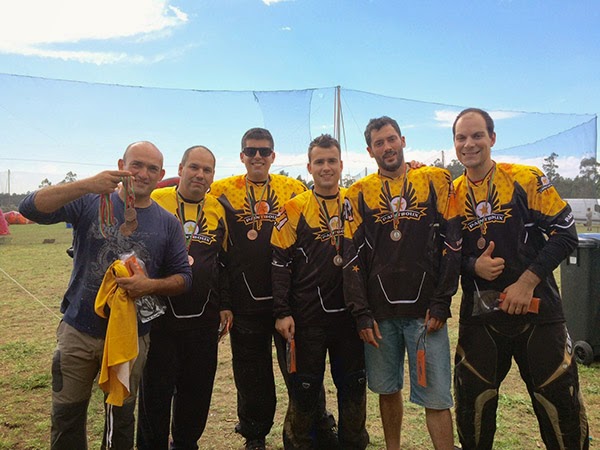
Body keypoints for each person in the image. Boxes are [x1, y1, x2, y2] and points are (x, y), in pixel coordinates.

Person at [19, 141, 192, 450]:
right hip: (79, 331)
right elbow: (29, 208)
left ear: (161, 174)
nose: (143, 174)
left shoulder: (168, 223)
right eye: (136, 165)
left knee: (121, 419)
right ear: (121, 165)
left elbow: (184, 278)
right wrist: (87, 184)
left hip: (130, 337)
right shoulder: (89, 202)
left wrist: (149, 285)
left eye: (152, 168)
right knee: (67, 415)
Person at [451, 107, 590, 450]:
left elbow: (565, 233)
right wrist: (473, 266)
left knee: (562, 415)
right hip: (481, 319)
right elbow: (441, 253)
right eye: (461, 137)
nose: (469, 144)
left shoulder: (525, 178)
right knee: (472, 414)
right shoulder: (450, 193)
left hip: (539, 315)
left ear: (492, 138)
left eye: (477, 135)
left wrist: (526, 283)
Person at [209, 128, 336, 450]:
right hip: (245, 301)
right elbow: (214, 244)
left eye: (264, 151)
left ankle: (318, 425)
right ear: (241, 156)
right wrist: (225, 301)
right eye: (251, 151)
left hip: (291, 301)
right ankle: (254, 434)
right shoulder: (221, 191)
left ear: (273, 156)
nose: (257, 157)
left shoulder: (293, 188)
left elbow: (329, 198)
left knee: (301, 371)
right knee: (251, 375)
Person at [343, 116, 461, 450]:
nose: (387, 147)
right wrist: (361, 313)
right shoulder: (358, 193)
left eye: (391, 139)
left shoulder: (435, 179)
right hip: (380, 316)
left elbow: (453, 244)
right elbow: (351, 258)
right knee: (387, 389)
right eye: (379, 143)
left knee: (437, 396)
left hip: (426, 313)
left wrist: (442, 301)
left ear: (403, 140)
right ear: (370, 150)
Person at [272, 134, 369, 450]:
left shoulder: (355, 204)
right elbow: (279, 263)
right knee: (305, 388)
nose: (326, 167)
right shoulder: (293, 208)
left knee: (353, 385)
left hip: (349, 318)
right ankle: (299, 444)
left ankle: (353, 444)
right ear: (309, 167)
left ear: (341, 165)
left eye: (331, 161)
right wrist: (282, 312)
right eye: (319, 162)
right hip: (307, 317)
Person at [137, 145, 232, 449]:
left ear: (213, 176)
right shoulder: (156, 200)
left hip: (203, 320)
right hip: (159, 319)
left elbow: (225, 262)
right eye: (194, 167)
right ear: (180, 169)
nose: (200, 175)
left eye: (207, 170)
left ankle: (186, 443)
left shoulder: (219, 209)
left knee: (197, 393)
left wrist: (226, 305)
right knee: (155, 393)